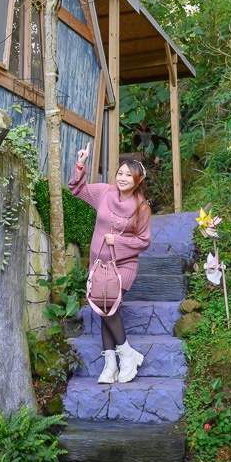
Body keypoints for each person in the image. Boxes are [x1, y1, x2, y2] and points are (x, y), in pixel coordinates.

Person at [68, 146, 152, 384]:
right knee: (102, 308)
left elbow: (144, 241)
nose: (123, 178)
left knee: (109, 308)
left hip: (123, 266)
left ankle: (125, 355)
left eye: (128, 175)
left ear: (138, 181)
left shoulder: (141, 208)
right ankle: (111, 363)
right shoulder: (104, 193)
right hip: (98, 264)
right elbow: (77, 189)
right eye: (120, 173)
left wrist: (120, 241)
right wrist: (81, 164)